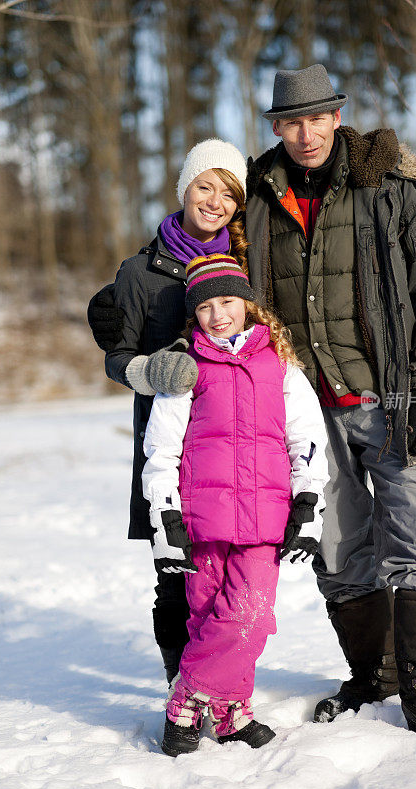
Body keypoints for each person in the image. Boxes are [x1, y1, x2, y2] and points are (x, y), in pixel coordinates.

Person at [88, 65, 416, 745]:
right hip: (302, 412)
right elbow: (198, 239)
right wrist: (132, 292)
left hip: (391, 398)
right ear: (276, 127)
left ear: (336, 117)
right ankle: (374, 677)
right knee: (337, 548)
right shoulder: (258, 196)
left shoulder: (386, 190)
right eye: (290, 122)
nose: (305, 134)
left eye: (317, 119)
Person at [141, 253, 329, 756]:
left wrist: (309, 500)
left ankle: (185, 700)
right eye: (205, 307)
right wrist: (165, 516)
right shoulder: (186, 369)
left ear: (248, 303)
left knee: (250, 613)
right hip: (203, 519)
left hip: (266, 516)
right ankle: (229, 712)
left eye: (227, 301)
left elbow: (306, 437)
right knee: (207, 615)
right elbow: (161, 448)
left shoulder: (280, 366)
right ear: (193, 315)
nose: (218, 315)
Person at [88, 139, 249, 686]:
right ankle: (184, 684)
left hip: (234, 440)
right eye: (207, 186)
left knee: (231, 568)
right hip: (168, 440)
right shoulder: (139, 272)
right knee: (175, 569)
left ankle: (224, 681)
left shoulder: (245, 263)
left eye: (229, 193)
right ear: (185, 188)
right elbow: (118, 357)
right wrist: (149, 373)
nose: (216, 201)